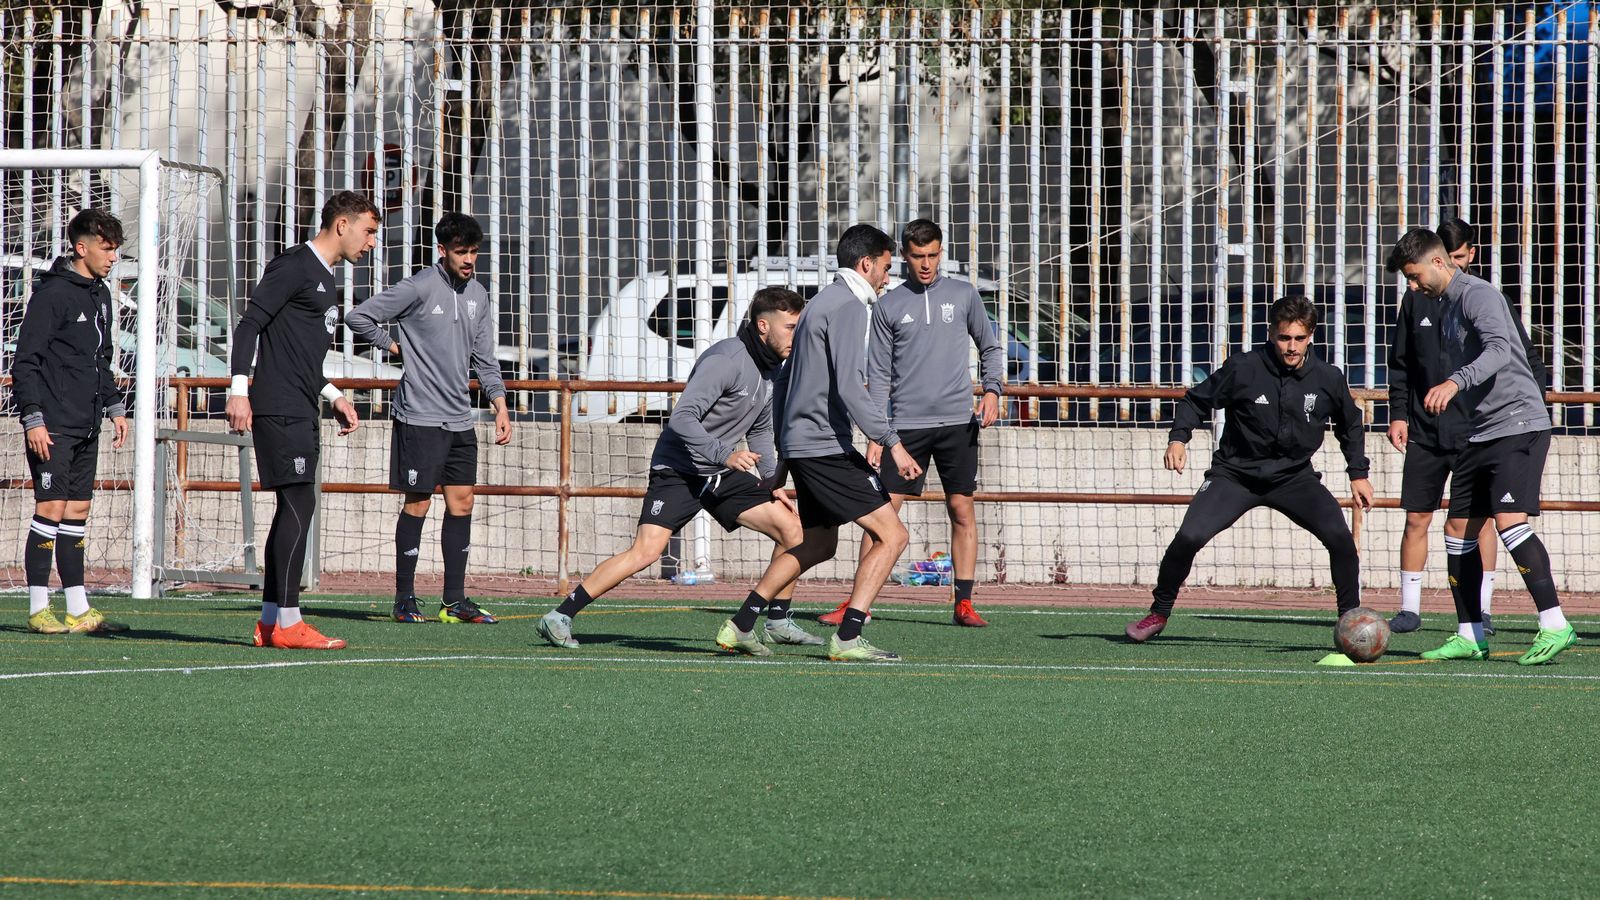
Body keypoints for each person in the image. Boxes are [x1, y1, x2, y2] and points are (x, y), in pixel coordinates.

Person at [534, 288, 824, 654]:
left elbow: (762, 431)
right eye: (791, 328)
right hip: (679, 469)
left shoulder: (773, 368)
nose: (796, 336)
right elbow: (682, 419)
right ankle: (560, 615)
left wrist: (771, 481)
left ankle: (778, 621)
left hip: (717, 472)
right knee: (645, 551)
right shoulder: (725, 359)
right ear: (763, 326)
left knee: (791, 527)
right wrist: (725, 454)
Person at [1125, 296, 1373, 643]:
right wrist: (1178, 439)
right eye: (1284, 338)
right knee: (1189, 537)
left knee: (1340, 540)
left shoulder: (1328, 378)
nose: (1291, 347)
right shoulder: (1244, 368)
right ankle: (1158, 612)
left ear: (1311, 336)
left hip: (1294, 478)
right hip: (1235, 475)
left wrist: (1358, 474)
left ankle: (1351, 624)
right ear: (1272, 333)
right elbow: (1196, 400)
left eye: (1299, 339)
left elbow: (1351, 425)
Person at [1387, 228, 1575, 665]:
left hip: (1517, 425)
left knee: (1509, 522)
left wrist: (1454, 382)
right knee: (1459, 532)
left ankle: (1555, 624)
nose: (1411, 286)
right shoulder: (1442, 304)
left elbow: (1497, 350)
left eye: (1414, 276)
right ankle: (1470, 634)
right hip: (1480, 430)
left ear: (1439, 262)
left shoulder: (1478, 295)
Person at [823, 218, 1003, 629]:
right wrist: (876, 432)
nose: (926, 264)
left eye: (933, 255)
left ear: (942, 252)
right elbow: (879, 373)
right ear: (904, 255)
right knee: (880, 515)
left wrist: (992, 390)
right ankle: (858, 604)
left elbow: (990, 346)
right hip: (905, 430)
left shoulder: (963, 294)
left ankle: (964, 603)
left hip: (959, 424)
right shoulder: (888, 305)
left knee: (961, 510)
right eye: (918, 256)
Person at [761, 223, 923, 663]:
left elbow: (786, 384)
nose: (888, 278)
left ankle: (741, 622)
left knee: (818, 543)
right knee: (892, 535)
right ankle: (849, 636)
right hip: (823, 445)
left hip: (804, 443)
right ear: (866, 264)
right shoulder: (850, 306)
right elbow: (853, 387)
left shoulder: (821, 303)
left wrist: (782, 454)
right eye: (886, 268)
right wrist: (892, 441)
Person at [227, 191, 380, 650]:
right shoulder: (294, 265)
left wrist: (333, 395)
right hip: (278, 405)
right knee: (298, 504)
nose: (372, 242)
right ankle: (290, 622)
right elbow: (249, 324)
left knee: (293, 506)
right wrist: (238, 390)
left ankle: (272, 621)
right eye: (369, 231)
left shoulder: (322, 277)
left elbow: (299, 355)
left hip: (300, 403)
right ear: (342, 225)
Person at [347, 212, 511, 626]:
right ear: (442, 251)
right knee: (418, 502)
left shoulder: (479, 295)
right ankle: (404, 598)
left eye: (474, 252)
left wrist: (499, 402)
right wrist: (392, 345)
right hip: (419, 415)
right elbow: (358, 316)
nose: (469, 259)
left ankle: (453, 602)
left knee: (463, 502)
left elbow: (484, 358)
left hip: (459, 418)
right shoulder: (419, 286)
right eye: (461, 252)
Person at [13, 209, 131, 634]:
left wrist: (115, 408)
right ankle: (38, 607)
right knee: (51, 507)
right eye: (106, 248)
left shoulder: (99, 295)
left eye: (116, 249)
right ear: (81, 248)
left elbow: (101, 360)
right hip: (53, 424)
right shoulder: (52, 295)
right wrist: (33, 419)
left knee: (78, 509)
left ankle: (78, 608)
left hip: (87, 423)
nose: (113, 256)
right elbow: (24, 362)